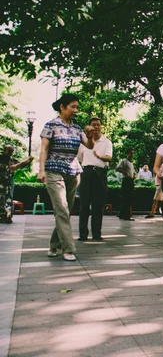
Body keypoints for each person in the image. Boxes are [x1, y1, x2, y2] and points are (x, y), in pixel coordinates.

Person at [37, 93, 95, 261]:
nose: (76, 110)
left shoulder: (77, 128)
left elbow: (89, 145)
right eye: (73, 107)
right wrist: (41, 170)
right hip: (54, 170)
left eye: (77, 107)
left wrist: (90, 135)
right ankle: (68, 249)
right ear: (62, 107)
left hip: (73, 171)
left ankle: (54, 244)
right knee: (61, 209)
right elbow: (44, 150)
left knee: (66, 211)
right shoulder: (51, 125)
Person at [77, 117, 112, 241]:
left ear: (101, 127)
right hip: (86, 173)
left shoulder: (107, 142)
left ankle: (96, 234)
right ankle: (83, 234)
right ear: (89, 126)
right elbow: (80, 158)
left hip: (100, 174)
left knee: (98, 205)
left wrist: (99, 156)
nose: (96, 127)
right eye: (93, 125)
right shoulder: (84, 142)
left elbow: (109, 158)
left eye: (98, 125)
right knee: (84, 205)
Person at [0, 145, 33, 224]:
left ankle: (7, 217)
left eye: (12, 151)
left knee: (8, 200)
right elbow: (13, 167)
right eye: (9, 151)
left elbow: (20, 165)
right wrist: (28, 160)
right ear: (4, 151)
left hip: (9, 183)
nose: (10, 153)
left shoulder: (12, 160)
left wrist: (29, 160)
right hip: (1, 182)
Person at [116, 148, 135, 220]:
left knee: (129, 198)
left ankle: (122, 215)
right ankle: (126, 216)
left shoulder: (131, 162)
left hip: (131, 181)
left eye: (133, 153)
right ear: (127, 154)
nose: (132, 155)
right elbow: (117, 168)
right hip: (126, 181)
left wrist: (133, 175)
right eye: (130, 153)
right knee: (126, 198)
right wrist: (125, 172)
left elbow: (131, 171)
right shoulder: (124, 161)